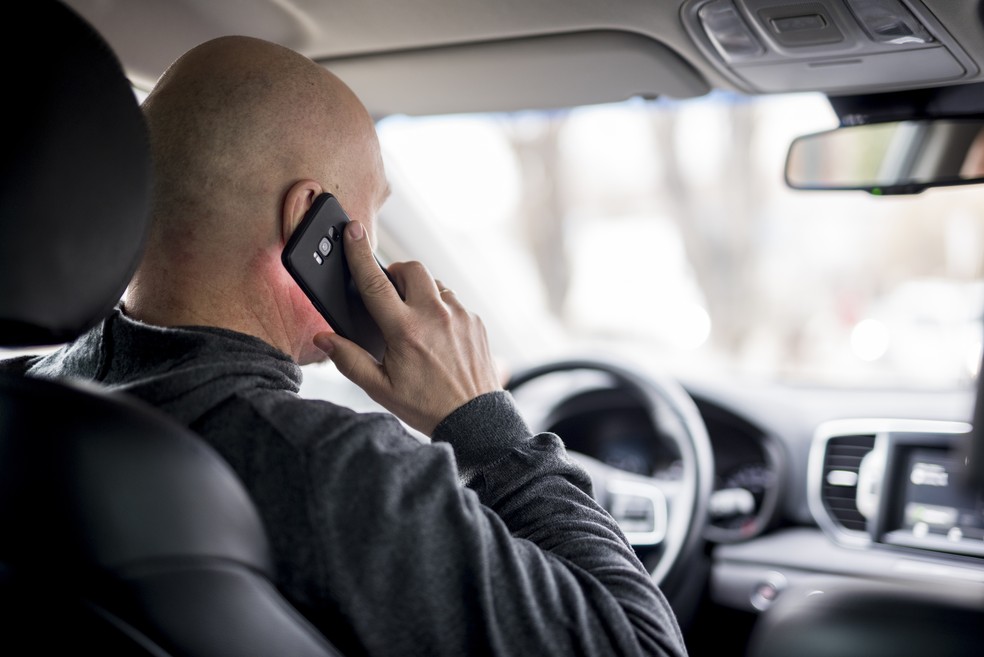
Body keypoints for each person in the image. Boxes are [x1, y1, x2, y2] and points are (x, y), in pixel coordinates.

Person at [2, 36, 686, 657]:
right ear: (313, 228)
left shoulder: (28, 401)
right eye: (372, 215)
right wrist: (485, 422)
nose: (380, 251)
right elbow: (645, 644)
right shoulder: (327, 465)